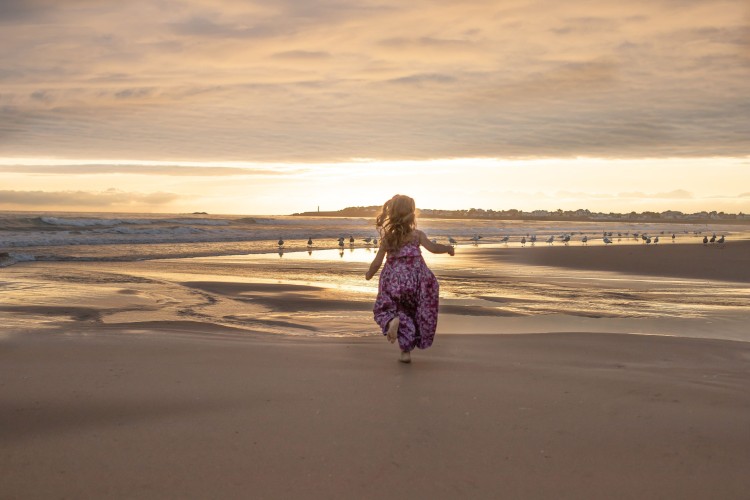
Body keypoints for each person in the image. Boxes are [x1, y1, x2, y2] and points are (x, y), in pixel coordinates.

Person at [365, 194, 454, 363]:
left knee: (388, 310)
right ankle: (405, 353)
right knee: (413, 313)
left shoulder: (388, 238)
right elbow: (433, 248)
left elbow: (377, 262)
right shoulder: (417, 235)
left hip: (392, 280)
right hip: (416, 280)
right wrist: (448, 248)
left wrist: (369, 274)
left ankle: (393, 321)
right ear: (412, 213)